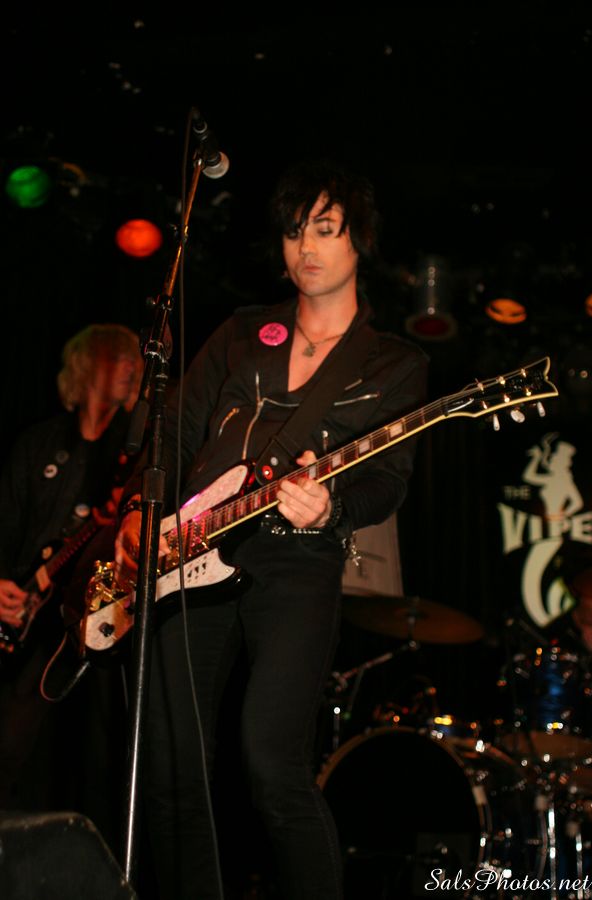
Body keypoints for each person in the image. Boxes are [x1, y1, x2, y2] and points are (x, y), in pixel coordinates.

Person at [115, 161, 428, 899]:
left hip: (296, 562)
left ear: (360, 240)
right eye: (293, 232)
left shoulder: (394, 362)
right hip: (191, 553)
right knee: (170, 769)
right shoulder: (241, 332)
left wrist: (332, 508)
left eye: (325, 229)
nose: (305, 247)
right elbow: (174, 430)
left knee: (271, 764)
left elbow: (387, 483)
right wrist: (138, 509)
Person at [0, 323, 142, 823]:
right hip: (25, 617)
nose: (131, 366)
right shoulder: (37, 444)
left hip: (94, 619)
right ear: (85, 367)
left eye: (133, 358)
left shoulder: (135, 453)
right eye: (117, 356)